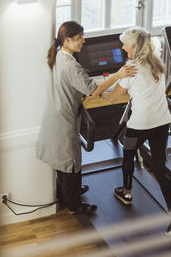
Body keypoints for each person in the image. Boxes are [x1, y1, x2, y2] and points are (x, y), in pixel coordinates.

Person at [36, 21, 136, 215]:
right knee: (70, 162)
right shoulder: (71, 65)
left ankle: (68, 193)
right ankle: (74, 205)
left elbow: (70, 85)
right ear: (67, 40)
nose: (84, 40)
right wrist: (118, 74)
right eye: (79, 38)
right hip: (64, 118)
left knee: (63, 160)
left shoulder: (58, 55)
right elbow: (94, 91)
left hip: (55, 114)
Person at [101, 26, 171, 235]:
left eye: (125, 44)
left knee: (128, 153)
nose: (123, 47)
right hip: (162, 123)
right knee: (159, 167)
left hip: (139, 125)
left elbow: (112, 97)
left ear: (134, 47)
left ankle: (126, 192)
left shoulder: (130, 68)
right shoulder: (158, 64)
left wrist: (98, 94)